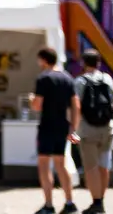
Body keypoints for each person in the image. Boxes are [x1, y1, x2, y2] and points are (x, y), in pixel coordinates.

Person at [30, 46, 80, 214]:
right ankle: (69, 202)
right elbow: (76, 105)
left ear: (44, 60)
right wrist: (73, 127)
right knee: (61, 163)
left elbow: (37, 106)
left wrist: (31, 100)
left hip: (47, 126)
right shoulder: (68, 78)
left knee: (44, 164)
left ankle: (49, 204)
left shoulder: (43, 78)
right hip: (62, 126)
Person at [73, 50, 113, 214]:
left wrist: (73, 128)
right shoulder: (108, 79)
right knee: (104, 166)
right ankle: (101, 201)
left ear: (83, 63)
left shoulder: (80, 81)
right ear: (99, 63)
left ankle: (96, 202)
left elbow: (76, 106)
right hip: (108, 128)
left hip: (87, 129)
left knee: (91, 167)